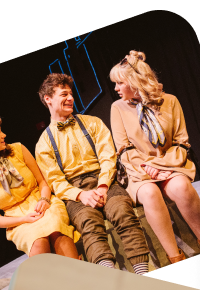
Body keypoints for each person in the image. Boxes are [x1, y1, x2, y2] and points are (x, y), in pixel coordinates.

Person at [35, 74, 151, 275]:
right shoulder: (43, 143)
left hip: (103, 181)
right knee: (89, 226)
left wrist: (103, 185)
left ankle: (143, 273)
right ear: (48, 99)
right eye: (64, 94)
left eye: (70, 94)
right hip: (75, 193)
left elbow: (108, 157)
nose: (70, 98)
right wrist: (81, 195)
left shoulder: (93, 123)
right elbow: (56, 181)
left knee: (123, 212)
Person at [109, 51, 200, 264]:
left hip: (171, 164)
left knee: (180, 187)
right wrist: (149, 168)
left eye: (119, 83)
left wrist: (161, 166)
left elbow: (181, 142)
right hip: (139, 171)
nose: (116, 89)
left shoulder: (170, 101)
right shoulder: (117, 108)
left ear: (134, 81)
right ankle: (175, 257)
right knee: (149, 193)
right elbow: (123, 150)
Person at [0, 115, 80, 258]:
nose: (4, 135)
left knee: (56, 228)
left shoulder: (18, 149)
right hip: (16, 218)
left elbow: (42, 182)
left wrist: (45, 199)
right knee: (37, 240)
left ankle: (79, 274)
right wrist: (24, 219)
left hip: (42, 202)